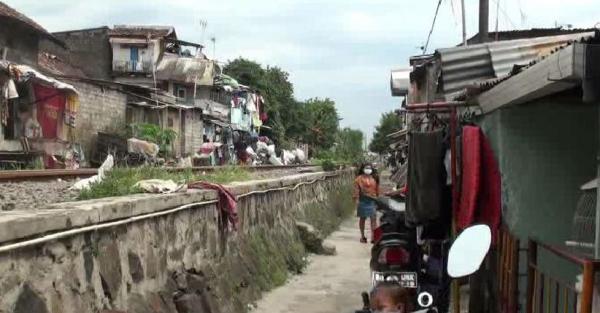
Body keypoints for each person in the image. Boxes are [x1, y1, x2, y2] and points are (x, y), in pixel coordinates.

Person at [353, 163, 380, 243]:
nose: (368, 169)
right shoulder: (358, 179)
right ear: (363, 169)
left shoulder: (375, 178)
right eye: (366, 168)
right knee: (362, 219)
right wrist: (357, 201)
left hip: (372, 201)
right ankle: (362, 236)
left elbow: (377, 189)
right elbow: (356, 190)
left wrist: (378, 200)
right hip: (363, 201)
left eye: (369, 168)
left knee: (373, 219)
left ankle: (373, 237)